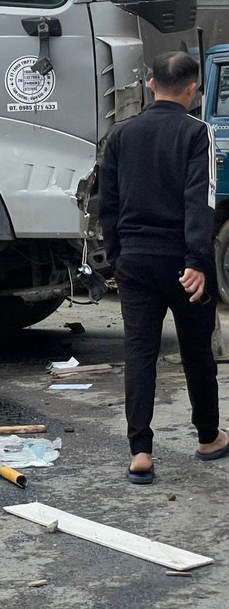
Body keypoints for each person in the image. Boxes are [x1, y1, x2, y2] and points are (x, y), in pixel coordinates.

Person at [100, 51, 228, 484]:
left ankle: (140, 453)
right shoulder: (198, 133)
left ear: (150, 84)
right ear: (192, 89)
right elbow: (201, 199)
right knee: (196, 354)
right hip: (182, 263)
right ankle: (209, 438)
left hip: (134, 261)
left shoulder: (121, 134)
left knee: (139, 354)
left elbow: (108, 204)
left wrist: (116, 257)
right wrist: (197, 261)